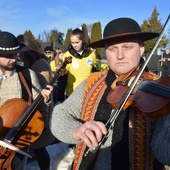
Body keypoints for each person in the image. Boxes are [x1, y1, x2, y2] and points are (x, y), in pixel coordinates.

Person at [50, 17, 164, 170]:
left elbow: (164, 153)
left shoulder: (161, 92)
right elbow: (60, 114)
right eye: (112, 49)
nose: (119, 55)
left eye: (127, 47)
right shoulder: (91, 82)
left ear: (142, 49)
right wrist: (75, 130)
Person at [0, 31, 53, 170]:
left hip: (17, 144)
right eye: (8, 56)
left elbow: (39, 109)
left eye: (16, 54)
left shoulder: (28, 74)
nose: (14, 59)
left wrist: (45, 100)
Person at [17, 34, 55, 170]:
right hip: (35, 111)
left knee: (40, 148)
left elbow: (43, 92)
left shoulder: (39, 65)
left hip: (40, 112)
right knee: (36, 147)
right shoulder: (33, 63)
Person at [62, 25, 97, 97]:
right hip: (72, 94)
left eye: (77, 42)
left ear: (83, 40)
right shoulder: (67, 55)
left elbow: (95, 72)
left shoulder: (91, 54)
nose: (74, 45)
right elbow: (62, 77)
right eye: (72, 42)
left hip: (87, 93)